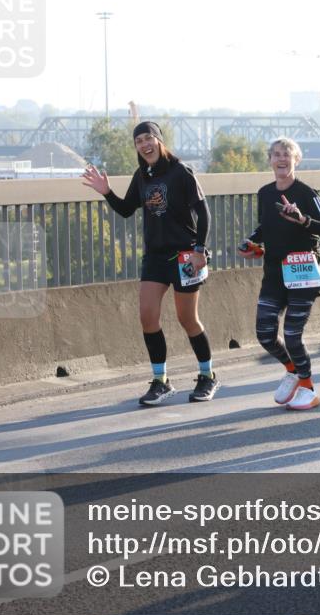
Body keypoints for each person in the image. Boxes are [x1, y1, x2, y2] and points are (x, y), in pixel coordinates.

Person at [81, 121, 219, 405]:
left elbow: (203, 213)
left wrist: (199, 249)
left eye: (148, 139)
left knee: (187, 319)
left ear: (159, 141)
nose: (144, 145)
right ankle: (161, 381)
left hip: (184, 256)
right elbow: (126, 210)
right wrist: (106, 191)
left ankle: (207, 375)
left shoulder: (181, 172)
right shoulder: (142, 176)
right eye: (139, 141)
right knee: (147, 316)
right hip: (155, 256)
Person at [239, 137, 320, 411]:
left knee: (293, 334)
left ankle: (308, 388)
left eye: (287, 154)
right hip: (274, 272)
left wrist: (303, 219)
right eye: (277, 154)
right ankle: (292, 369)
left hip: (303, 270)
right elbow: (264, 227)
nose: (282, 159)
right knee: (265, 333)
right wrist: (250, 242)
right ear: (270, 160)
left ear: (297, 160)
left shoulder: (307, 193)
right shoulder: (265, 193)